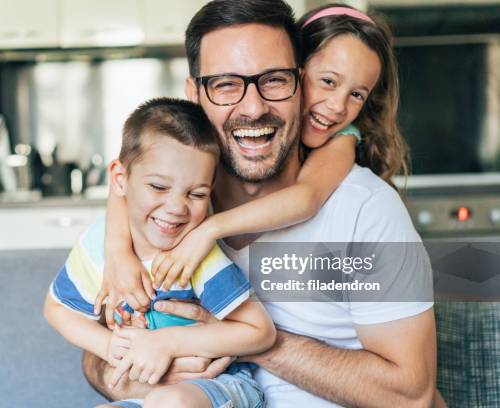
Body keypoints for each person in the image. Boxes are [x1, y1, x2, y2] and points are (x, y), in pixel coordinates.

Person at [84, 1, 439, 406]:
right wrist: (132, 373)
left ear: (298, 83)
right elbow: (94, 356)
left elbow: (412, 397)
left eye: (273, 80)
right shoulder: (170, 204)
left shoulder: (366, 210)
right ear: (193, 94)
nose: (253, 108)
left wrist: (238, 337)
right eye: (225, 84)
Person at [44, 98, 276, 408]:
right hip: (147, 394)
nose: (177, 208)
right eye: (158, 187)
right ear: (119, 180)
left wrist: (166, 342)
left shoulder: (195, 254)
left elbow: (259, 331)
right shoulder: (98, 245)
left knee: (170, 402)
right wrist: (109, 346)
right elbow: (56, 309)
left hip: (221, 385)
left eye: (196, 194)